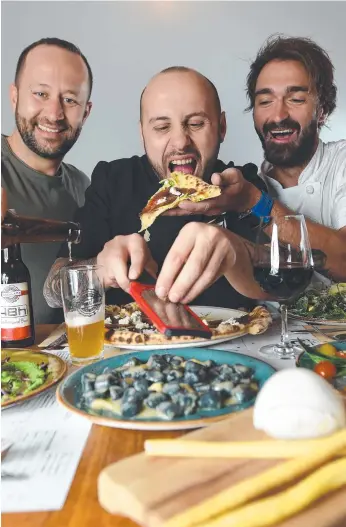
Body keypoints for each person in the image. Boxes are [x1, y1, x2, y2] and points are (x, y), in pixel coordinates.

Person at [44, 66, 270, 310]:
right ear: (143, 133)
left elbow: (284, 276)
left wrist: (239, 241)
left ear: (222, 127)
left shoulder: (242, 186)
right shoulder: (113, 181)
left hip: (232, 339)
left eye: (196, 123)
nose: (181, 142)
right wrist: (99, 269)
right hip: (131, 343)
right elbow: (52, 293)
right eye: (162, 127)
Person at [1, 37, 93, 323]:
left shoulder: (86, 189)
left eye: (69, 100)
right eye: (41, 94)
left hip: (61, 360)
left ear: (85, 112)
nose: (54, 114)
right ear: (15, 96)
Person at [246, 35, 345, 279]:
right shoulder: (250, 181)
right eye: (265, 101)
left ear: (322, 110)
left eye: (296, 99)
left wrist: (254, 203)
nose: (278, 115)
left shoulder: (341, 163)